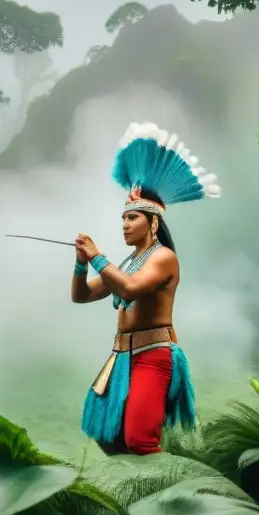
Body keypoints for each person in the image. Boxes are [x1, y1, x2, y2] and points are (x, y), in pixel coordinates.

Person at [72, 121, 220, 455]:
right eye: (123, 218)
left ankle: (169, 494)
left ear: (153, 223)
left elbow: (129, 290)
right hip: (121, 354)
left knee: (139, 439)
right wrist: (81, 263)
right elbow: (81, 295)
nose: (125, 224)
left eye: (133, 218)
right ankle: (133, 493)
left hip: (153, 356)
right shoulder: (125, 263)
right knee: (107, 432)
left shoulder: (164, 258)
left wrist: (97, 257)